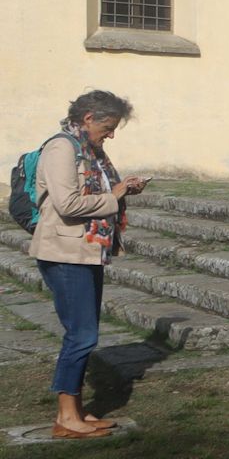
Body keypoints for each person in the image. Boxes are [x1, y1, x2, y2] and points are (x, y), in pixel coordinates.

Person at [28, 91, 147, 440]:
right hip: (63, 254)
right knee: (81, 336)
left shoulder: (88, 150)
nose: (111, 135)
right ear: (89, 118)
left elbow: (98, 192)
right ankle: (66, 417)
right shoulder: (62, 148)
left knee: (82, 334)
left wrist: (124, 191)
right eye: (108, 127)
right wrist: (116, 195)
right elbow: (67, 204)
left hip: (86, 252)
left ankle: (76, 410)